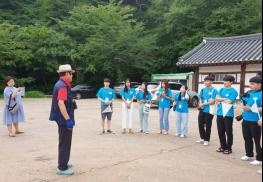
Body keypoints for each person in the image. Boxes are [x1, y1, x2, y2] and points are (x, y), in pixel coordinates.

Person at [49, 64, 76, 176]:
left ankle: (63, 162)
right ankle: (62, 167)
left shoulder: (63, 84)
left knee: (64, 141)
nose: (72, 76)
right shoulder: (62, 86)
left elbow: (63, 101)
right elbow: (61, 103)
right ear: (66, 74)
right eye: (71, 73)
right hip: (64, 119)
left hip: (62, 118)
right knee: (65, 142)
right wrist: (68, 119)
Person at [240, 76, 262, 166]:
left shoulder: (261, 94)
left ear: (259, 84)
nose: (250, 85)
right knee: (247, 138)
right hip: (246, 119)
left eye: (252, 84)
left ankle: (259, 158)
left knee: (257, 139)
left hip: (256, 120)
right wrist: (243, 105)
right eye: (250, 83)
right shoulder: (249, 92)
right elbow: (243, 101)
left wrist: (252, 109)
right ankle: (249, 154)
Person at [216, 75, 238, 154]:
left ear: (231, 82)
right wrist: (224, 99)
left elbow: (229, 102)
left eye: (226, 81)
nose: (224, 82)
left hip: (228, 114)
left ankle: (228, 148)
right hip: (219, 113)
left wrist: (221, 99)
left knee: (228, 131)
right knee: (220, 131)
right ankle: (222, 146)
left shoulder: (234, 91)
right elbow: (216, 98)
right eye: (224, 81)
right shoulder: (221, 89)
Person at [197, 76, 218, 146]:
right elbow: (200, 98)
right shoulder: (203, 89)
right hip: (202, 110)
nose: (205, 82)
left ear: (211, 82)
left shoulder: (214, 90)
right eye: (205, 81)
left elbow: (212, 101)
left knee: (208, 125)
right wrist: (200, 104)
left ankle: (207, 140)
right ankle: (202, 138)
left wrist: (203, 104)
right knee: (200, 124)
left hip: (210, 111)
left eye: (207, 81)